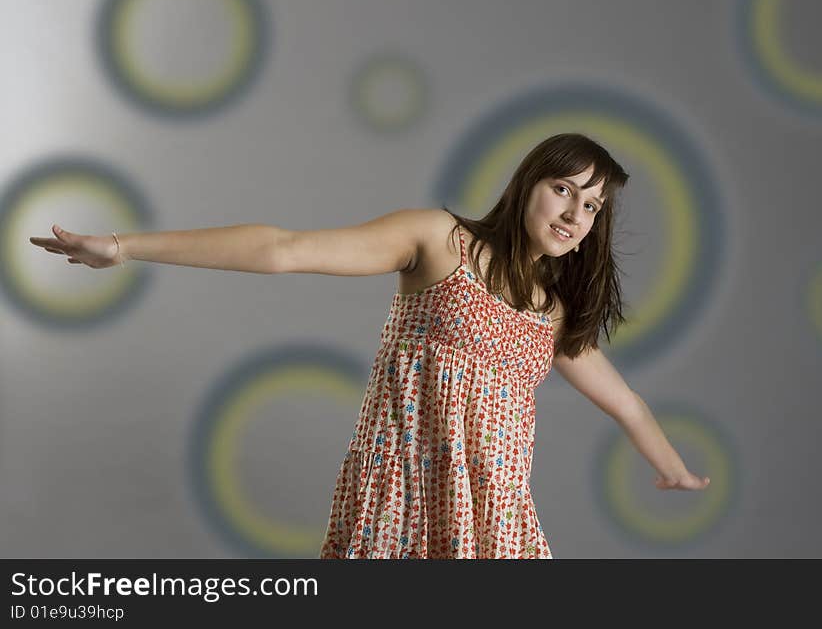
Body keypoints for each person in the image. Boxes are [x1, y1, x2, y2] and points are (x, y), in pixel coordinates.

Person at [29, 132, 709, 559]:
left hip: (496, 528)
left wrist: (673, 469)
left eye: (591, 207)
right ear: (527, 183)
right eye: (564, 189)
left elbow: (628, 406)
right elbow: (283, 249)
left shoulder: (550, 315)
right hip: (402, 504)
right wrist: (121, 248)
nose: (573, 214)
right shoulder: (440, 242)